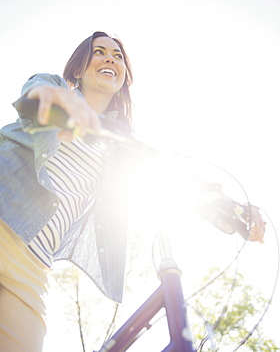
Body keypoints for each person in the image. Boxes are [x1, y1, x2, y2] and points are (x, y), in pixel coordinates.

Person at [0, 31, 265, 352]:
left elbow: (170, 174)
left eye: (117, 55)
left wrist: (230, 209)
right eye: (98, 52)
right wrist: (58, 100)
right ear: (78, 71)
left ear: (124, 76)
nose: (110, 58)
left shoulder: (120, 142)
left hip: (33, 264)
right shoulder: (54, 85)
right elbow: (35, 95)